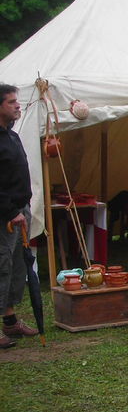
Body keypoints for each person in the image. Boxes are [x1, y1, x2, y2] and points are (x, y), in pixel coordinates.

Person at [0, 84, 37, 348]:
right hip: (5, 214)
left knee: (16, 267)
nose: (17, 105)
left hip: (20, 210)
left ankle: (10, 321)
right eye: (11, 102)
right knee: (1, 267)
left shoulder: (11, 136)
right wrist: (11, 211)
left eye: (17, 101)